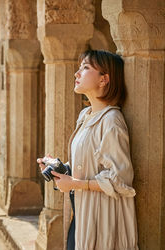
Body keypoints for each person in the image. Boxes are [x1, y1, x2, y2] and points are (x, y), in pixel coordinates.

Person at [37, 50, 138, 250]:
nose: (76, 73)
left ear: (104, 79)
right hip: (80, 212)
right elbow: (89, 165)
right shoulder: (86, 115)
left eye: (85, 68)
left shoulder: (111, 121)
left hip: (100, 219)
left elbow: (120, 179)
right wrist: (61, 169)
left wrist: (76, 184)